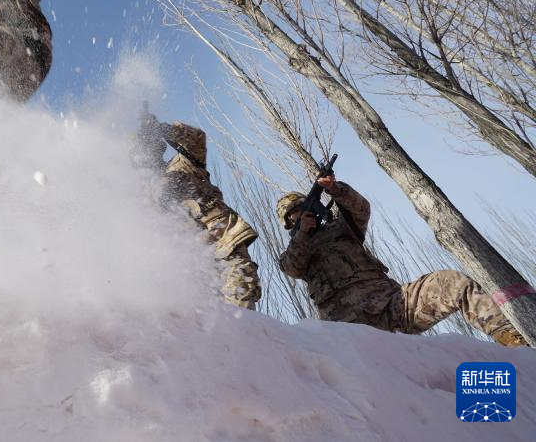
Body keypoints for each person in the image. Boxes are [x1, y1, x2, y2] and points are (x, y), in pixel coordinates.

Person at [277, 176, 527, 347]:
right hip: (352, 331)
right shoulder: (294, 252)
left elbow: (361, 209)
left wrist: (336, 189)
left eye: (303, 207)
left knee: (451, 282)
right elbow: (292, 267)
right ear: (290, 223)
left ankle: (514, 342)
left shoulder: (341, 229)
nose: (302, 213)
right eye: (295, 214)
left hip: (393, 306)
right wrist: (302, 236)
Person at [133, 112, 261, 310]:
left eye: (148, 147)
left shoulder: (183, 165)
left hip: (224, 247)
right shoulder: (144, 199)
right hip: (193, 275)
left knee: (241, 313)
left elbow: (197, 138)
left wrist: (162, 128)